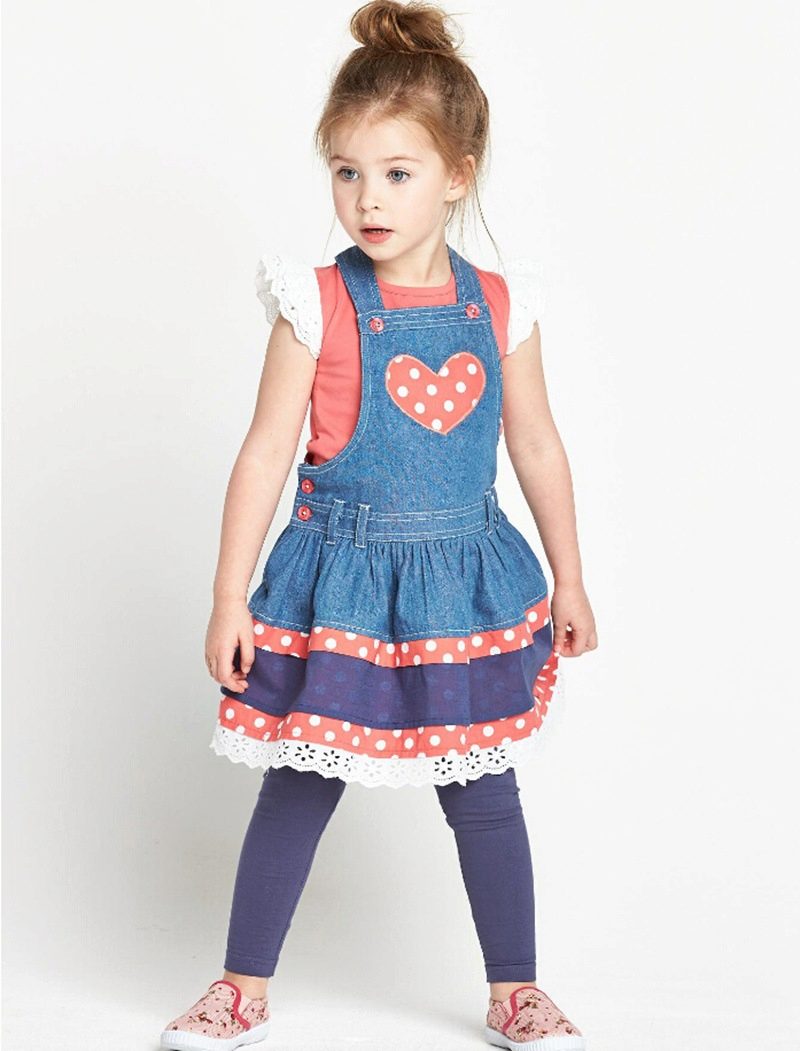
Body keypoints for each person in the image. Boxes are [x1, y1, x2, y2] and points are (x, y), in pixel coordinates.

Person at [160, 1, 597, 1048]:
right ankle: (241, 985)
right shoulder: (312, 305)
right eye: (347, 171)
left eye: (398, 172)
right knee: (300, 781)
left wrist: (571, 577)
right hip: (341, 584)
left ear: (457, 174)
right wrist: (227, 596)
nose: (367, 197)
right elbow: (265, 453)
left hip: (461, 585)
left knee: (483, 789)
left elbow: (535, 445)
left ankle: (515, 990)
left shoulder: (503, 308)